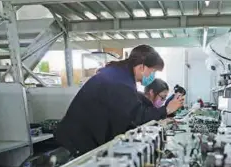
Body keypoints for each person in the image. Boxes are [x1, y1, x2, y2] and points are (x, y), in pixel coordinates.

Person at [55, 45, 184, 156]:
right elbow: (137, 116)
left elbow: (131, 112)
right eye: (153, 71)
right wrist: (167, 109)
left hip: (81, 137)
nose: (153, 76)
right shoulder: (120, 82)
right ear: (142, 67)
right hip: (75, 142)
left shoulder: (121, 76)